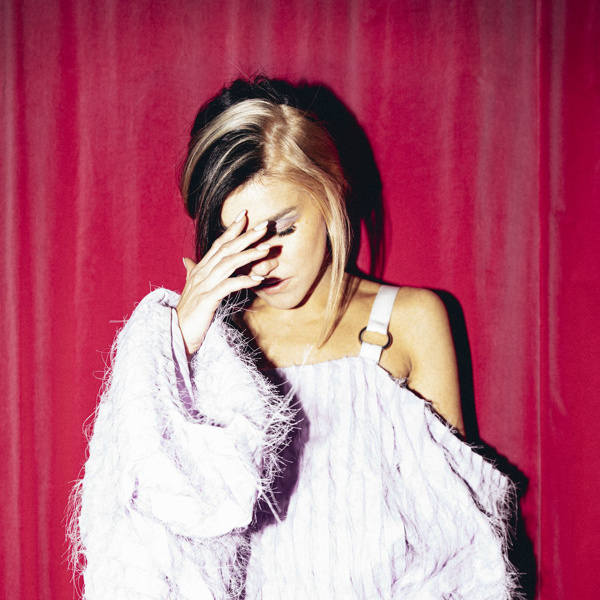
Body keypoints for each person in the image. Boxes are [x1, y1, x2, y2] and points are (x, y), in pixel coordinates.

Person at [70, 77, 519, 599]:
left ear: (331, 193)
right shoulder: (213, 343)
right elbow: (146, 532)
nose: (264, 261)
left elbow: (459, 539)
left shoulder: (412, 320)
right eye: (239, 238)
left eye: (282, 228)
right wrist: (180, 345)